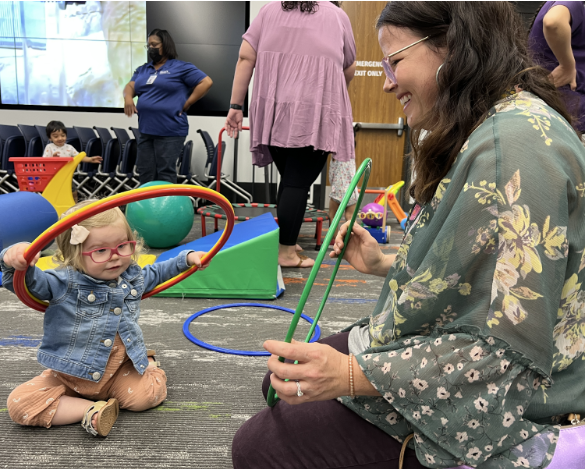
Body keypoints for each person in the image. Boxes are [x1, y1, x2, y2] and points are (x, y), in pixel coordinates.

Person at [232, 2, 585, 468]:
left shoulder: (514, 150)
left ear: (455, 49)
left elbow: (505, 356)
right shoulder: (495, 121)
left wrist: (354, 374)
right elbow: (473, 265)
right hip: (456, 348)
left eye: (395, 61)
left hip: (520, 401)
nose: (386, 81)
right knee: (281, 381)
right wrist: (385, 263)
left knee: (260, 446)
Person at [0, 200, 210, 437]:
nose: (115, 257)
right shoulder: (61, 283)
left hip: (117, 372)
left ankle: (148, 365)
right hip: (69, 377)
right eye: (100, 250)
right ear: (74, 254)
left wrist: (187, 257)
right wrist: (15, 258)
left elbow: (158, 271)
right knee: (19, 404)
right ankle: (91, 409)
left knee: (148, 397)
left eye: (122, 246)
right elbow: (27, 282)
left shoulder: (131, 277)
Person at [225, 1, 357, 268]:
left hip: (274, 111)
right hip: (315, 112)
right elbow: (348, 68)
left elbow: (245, 58)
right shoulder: (337, 16)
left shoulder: (268, 11)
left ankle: (286, 239)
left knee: (290, 179)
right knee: (297, 182)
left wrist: (235, 106)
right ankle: (286, 252)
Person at [124, 29, 213, 185]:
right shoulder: (143, 69)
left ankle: (164, 209)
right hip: (146, 131)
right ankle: (147, 208)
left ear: (165, 45)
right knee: (145, 171)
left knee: (165, 172)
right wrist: (128, 98)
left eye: (154, 44)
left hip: (170, 131)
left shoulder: (180, 67)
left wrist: (189, 102)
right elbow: (130, 86)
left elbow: (206, 82)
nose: (150, 48)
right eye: (148, 45)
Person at [528, 1, 585, 138]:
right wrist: (567, 66)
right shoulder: (572, 3)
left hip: (555, 115)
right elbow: (553, 22)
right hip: (568, 118)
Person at [43, 120, 103, 202]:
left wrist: (90, 159)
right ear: (50, 138)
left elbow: (79, 157)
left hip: (67, 176)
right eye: (56, 136)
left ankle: (74, 207)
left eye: (63, 135)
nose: (60, 138)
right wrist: (53, 158)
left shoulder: (69, 147)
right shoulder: (49, 147)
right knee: (55, 192)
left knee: (73, 192)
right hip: (54, 177)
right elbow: (44, 161)